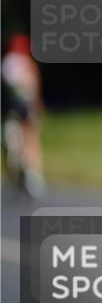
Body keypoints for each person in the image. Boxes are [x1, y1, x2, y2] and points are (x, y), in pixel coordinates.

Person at [1, 34, 45, 197]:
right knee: (16, 144)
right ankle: (25, 177)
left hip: (21, 109)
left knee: (23, 144)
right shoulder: (13, 63)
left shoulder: (18, 64)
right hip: (16, 110)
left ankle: (30, 177)